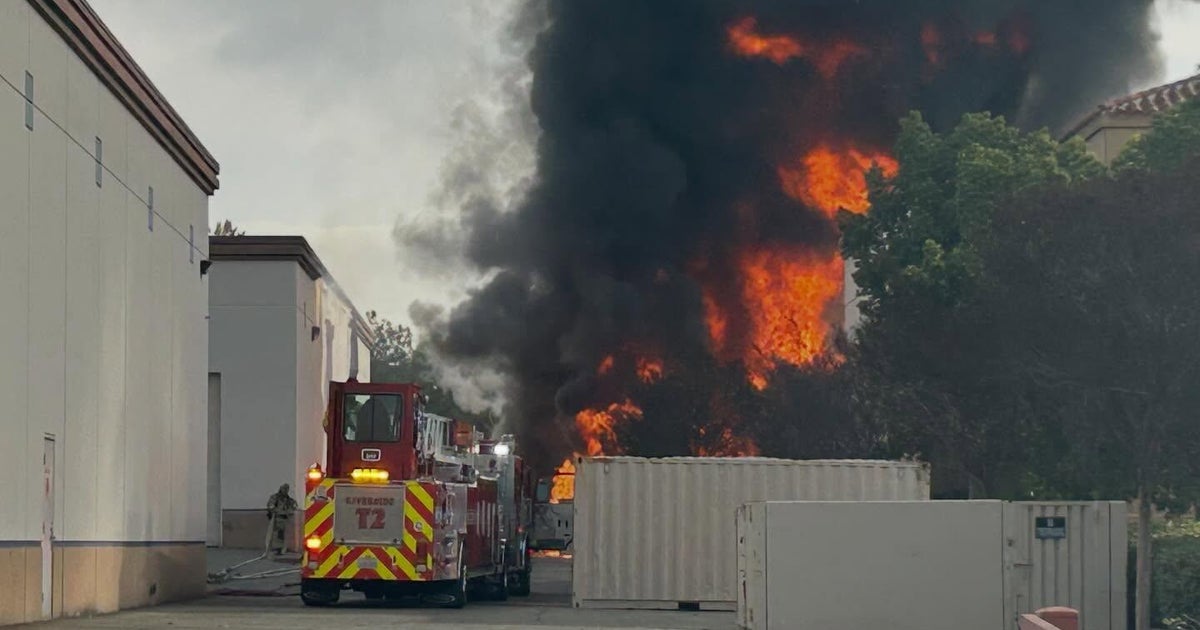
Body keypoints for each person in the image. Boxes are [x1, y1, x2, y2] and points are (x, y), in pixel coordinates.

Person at [266, 483, 298, 556]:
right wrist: (279, 511)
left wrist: (290, 511)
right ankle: (276, 549)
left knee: (284, 535)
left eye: (287, 489)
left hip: (286, 519)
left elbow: (294, 506)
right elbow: (270, 506)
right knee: (276, 535)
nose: (285, 490)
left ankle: (283, 548)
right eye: (284, 488)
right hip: (276, 519)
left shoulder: (289, 499)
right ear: (281, 489)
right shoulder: (275, 497)